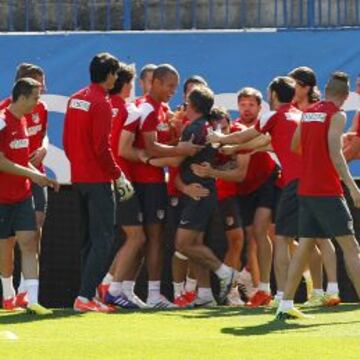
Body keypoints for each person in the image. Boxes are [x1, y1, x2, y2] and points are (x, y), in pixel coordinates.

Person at [276, 72, 360, 320]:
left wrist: (315, 153)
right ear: (345, 96)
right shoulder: (337, 114)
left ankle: (285, 303)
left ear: (325, 89)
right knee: (351, 246)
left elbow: (295, 146)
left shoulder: (309, 112)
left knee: (305, 245)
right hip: (326, 190)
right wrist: (352, 188)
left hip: (306, 188)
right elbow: (336, 154)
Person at [63, 53, 134, 313]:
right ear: (109, 75)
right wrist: (118, 175)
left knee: (88, 241)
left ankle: (87, 295)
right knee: (103, 238)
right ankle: (84, 296)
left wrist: (78, 168)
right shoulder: (101, 103)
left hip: (78, 179)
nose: (116, 78)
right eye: (115, 73)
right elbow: (101, 147)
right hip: (98, 180)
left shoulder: (75, 99)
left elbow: (67, 141)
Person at [132, 64, 202, 308]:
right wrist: (180, 149)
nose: (174, 91)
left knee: (149, 239)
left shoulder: (161, 110)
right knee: (147, 239)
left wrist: (177, 136)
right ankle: (141, 292)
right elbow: (148, 147)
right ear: (156, 83)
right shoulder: (147, 108)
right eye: (170, 86)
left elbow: (158, 144)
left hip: (153, 181)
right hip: (144, 182)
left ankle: (126, 289)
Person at [208, 87, 277, 307]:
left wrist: (226, 146)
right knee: (249, 239)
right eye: (243, 105)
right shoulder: (235, 128)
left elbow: (243, 160)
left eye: (251, 105)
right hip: (242, 192)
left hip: (267, 184)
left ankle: (258, 285)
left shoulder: (263, 125)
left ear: (260, 107)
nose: (247, 109)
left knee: (264, 236)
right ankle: (245, 285)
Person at [0, 77, 58, 315]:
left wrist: (41, 176)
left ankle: (33, 300)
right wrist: (32, 175)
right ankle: (8, 295)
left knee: (30, 242)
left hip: (23, 195)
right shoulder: (2, 121)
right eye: (35, 97)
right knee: (5, 249)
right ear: (22, 97)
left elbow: (21, 158)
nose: (38, 103)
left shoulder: (24, 121)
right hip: (2, 198)